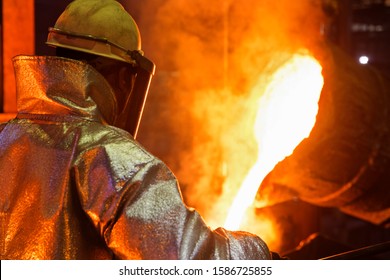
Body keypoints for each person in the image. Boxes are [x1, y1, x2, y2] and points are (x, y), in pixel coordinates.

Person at [0, 0, 272, 260]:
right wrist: (256, 253)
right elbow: (184, 257)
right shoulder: (112, 159)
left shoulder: (4, 139)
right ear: (123, 78)